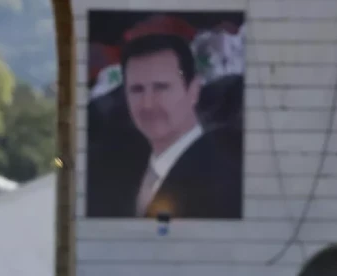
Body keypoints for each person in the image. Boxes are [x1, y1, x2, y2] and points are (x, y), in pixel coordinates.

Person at [85, 19, 242, 220]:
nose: (148, 104)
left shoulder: (226, 168)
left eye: (161, 87)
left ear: (193, 91)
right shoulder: (114, 165)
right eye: (137, 90)